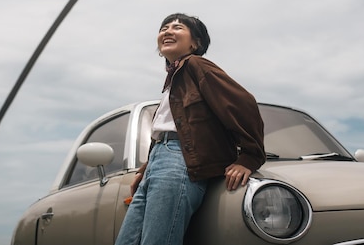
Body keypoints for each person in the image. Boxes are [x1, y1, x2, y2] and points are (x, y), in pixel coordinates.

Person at [114, 13, 266, 245]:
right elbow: (174, 129)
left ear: (195, 43)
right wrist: (145, 169)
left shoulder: (196, 65)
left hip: (178, 163)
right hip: (159, 162)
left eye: (177, 27)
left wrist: (249, 156)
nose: (167, 31)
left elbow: (242, 102)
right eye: (164, 28)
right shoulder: (174, 81)